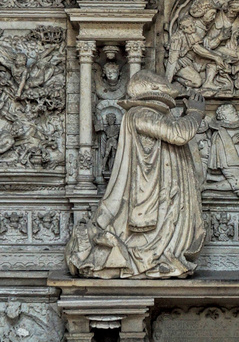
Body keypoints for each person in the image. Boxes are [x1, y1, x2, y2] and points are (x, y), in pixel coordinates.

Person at [65, 70, 206, 279]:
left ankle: (159, 259)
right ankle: (146, 261)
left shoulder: (152, 115)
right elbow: (179, 134)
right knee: (146, 241)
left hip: (164, 192)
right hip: (153, 194)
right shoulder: (141, 113)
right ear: (154, 90)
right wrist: (195, 113)